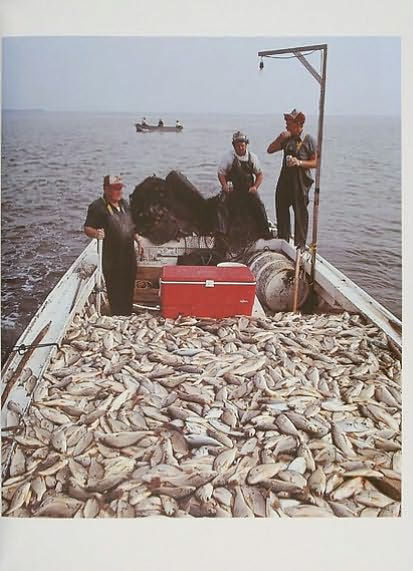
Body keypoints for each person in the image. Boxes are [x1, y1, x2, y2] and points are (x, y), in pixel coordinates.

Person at [84, 175, 143, 316]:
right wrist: (96, 233)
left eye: (120, 188)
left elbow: (131, 225)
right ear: (106, 189)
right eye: (115, 188)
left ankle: (127, 310)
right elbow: (87, 228)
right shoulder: (97, 207)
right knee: (116, 283)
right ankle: (117, 313)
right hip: (112, 255)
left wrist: (138, 239)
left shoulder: (124, 204)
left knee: (129, 280)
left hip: (128, 251)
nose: (119, 191)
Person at [267, 109, 317, 250]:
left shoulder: (308, 140)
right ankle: (283, 239)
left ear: (298, 124)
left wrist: (299, 162)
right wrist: (279, 139)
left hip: (301, 183)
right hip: (285, 180)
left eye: (289, 122)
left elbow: (316, 162)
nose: (286, 125)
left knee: (300, 212)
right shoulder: (286, 138)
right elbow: (269, 150)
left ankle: (300, 245)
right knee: (281, 207)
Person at [217, 130, 270, 239]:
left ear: (246, 145)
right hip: (232, 190)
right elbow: (221, 173)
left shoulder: (253, 158)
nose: (241, 148)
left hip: (248, 190)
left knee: (259, 205)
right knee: (221, 204)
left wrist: (255, 187)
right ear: (234, 146)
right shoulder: (228, 157)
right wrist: (224, 186)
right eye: (238, 145)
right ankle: (221, 232)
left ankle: (265, 233)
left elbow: (259, 175)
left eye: (242, 145)